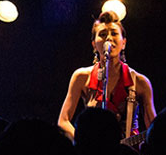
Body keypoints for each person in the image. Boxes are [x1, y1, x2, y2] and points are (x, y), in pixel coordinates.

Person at [58, 11, 156, 141]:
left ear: (124, 43)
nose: (108, 38)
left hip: (129, 151)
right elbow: (63, 120)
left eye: (114, 33)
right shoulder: (81, 77)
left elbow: (155, 129)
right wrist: (85, 142)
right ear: (94, 44)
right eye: (102, 34)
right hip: (94, 151)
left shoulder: (140, 82)